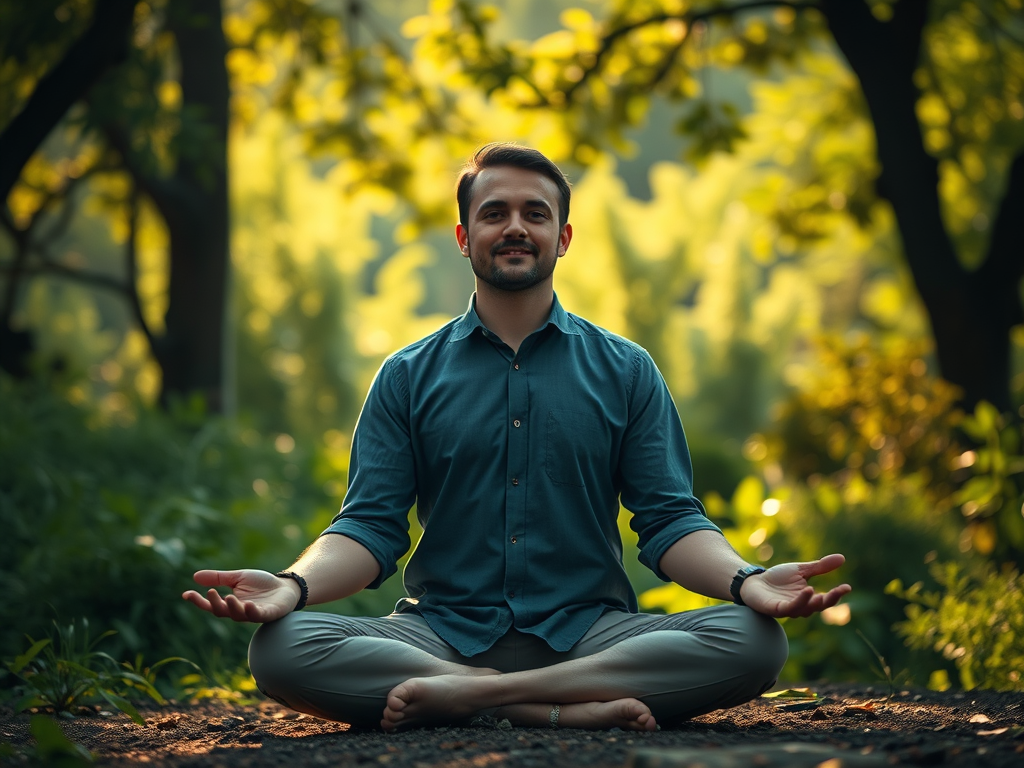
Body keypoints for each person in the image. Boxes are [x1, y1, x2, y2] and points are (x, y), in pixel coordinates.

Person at [183, 143, 851, 733]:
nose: (514, 227)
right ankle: (547, 708)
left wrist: (748, 582)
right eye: (494, 212)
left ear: (562, 237)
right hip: (437, 638)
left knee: (755, 641)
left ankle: (482, 699)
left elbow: (671, 522)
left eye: (535, 213)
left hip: (594, 636)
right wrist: (293, 588)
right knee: (280, 647)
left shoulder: (626, 370)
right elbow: (368, 528)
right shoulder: (407, 375)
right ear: (463, 234)